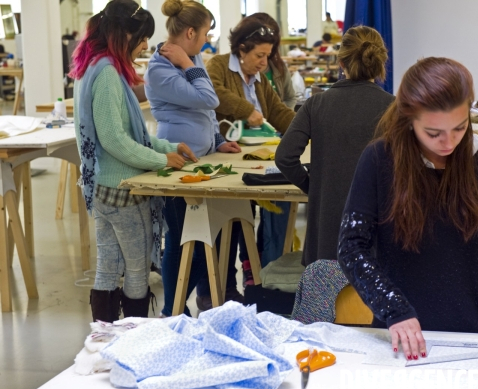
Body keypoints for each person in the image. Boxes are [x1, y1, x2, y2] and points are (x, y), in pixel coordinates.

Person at [338, 57, 478, 361]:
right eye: (433, 133)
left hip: (475, 334)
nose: (448, 142)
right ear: (409, 119)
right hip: (402, 335)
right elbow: (352, 248)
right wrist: (394, 308)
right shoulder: (379, 160)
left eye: (459, 128)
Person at [70, 0, 197, 322]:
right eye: (141, 37)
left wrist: (168, 146)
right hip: (125, 191)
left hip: (101, 188)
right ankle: (136, 336)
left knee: (108, 267)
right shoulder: (109, 73)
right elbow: (115, 140)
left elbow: (126, 133)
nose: (144, 45)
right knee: (137, 269)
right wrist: (161, 159)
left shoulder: (91, 66)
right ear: (123, 34)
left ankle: (104, 336)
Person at [144, 0, 242, 317]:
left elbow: (204, 112)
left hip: (201, 159)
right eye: (203, 34)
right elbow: (209, 99)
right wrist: (188, 65)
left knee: (203, 241)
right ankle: (173, 311)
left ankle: (174, 307)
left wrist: (218, 140)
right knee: (180, 240)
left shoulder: (192, 58)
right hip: (178, 161)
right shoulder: (160, 68)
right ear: (189, 32)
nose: (206, 41)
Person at [276, 26, 394, 266]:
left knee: (326, 298)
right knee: (373, 299)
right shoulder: (394, 108)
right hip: (377, 225)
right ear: (381, 61)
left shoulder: (316, 104)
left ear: (341, 62)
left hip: (327, 229)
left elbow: (285, 157)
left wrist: (313, 186)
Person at [206, 16, 296, 285]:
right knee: (230, 224)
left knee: (269, 211)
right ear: (241, 49)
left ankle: (258, 269)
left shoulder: (258, 79)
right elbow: (213, 92)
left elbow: (277, 111)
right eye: (259, 55)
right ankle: (223, 285)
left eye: (267, 56)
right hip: (227, 159)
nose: (264, 62)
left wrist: (307, 129)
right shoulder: (219, 65)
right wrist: (248, 112)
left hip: (255, 159)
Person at [248, 13, 296, 109]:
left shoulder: (278, 67)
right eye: (259, 55)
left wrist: (279, 117)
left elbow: (290, 98)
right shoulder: (233, 71)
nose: (264, 62)